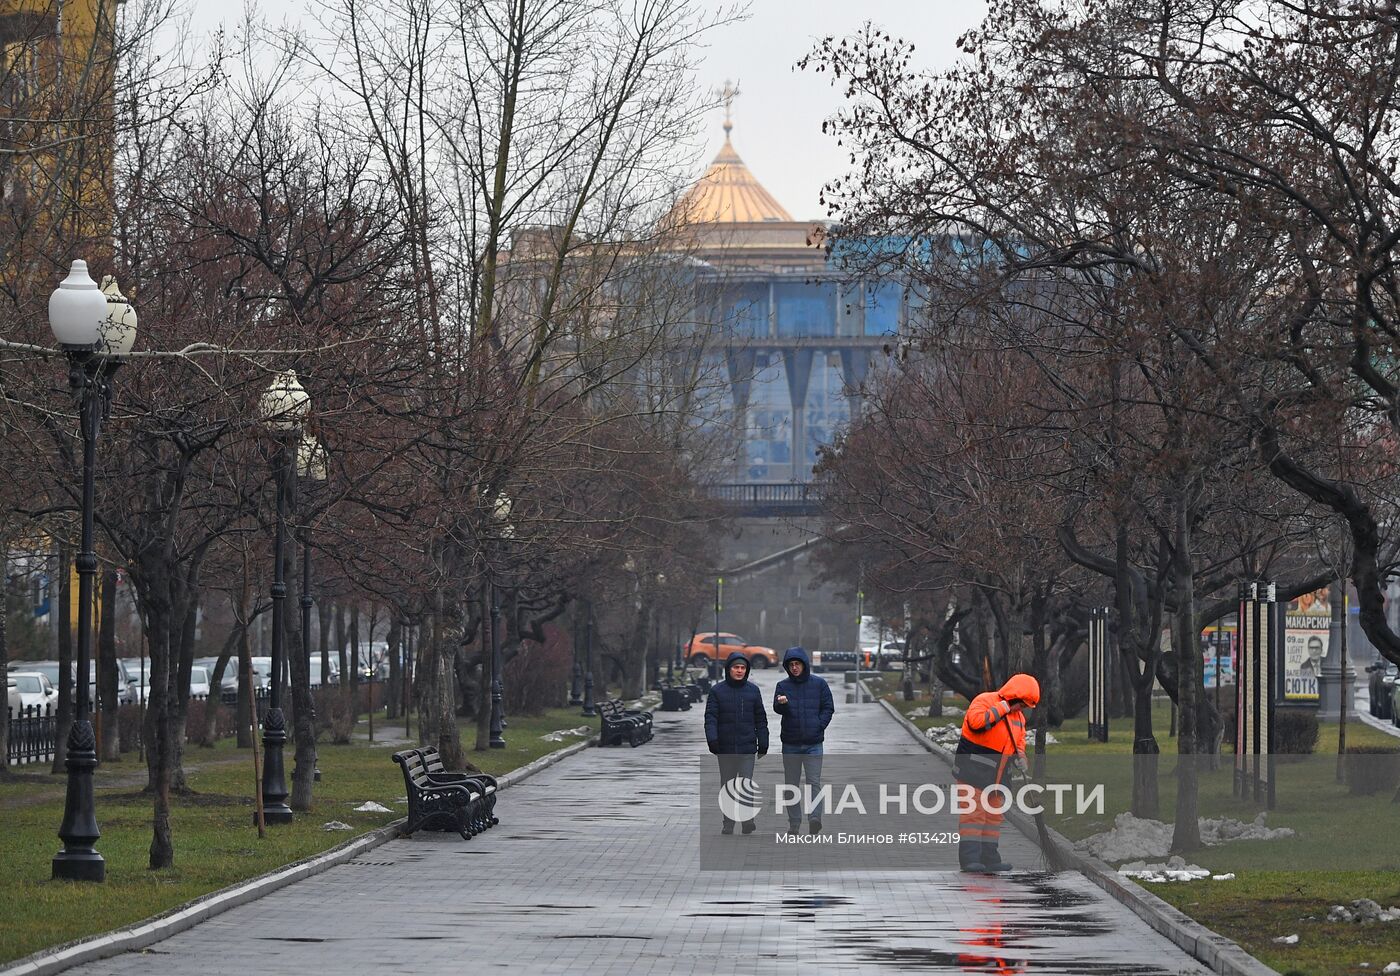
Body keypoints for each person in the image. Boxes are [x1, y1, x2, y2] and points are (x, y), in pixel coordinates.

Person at [952, 673, 1040, 873]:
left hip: (998, 778)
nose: (1022, 710)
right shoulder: (984, 701)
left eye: (1025, 707)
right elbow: (976, 723)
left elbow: (1019, 742)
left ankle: (990, 859)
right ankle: (969, 860)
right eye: (1022, 704)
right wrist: (1004, 708)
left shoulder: (1018, 718)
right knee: (973, 817)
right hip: (973, 772)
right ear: (1014, 697)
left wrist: (1021, 758)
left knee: (992, 818)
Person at [704, 650, 769, 834]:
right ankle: (728, 822)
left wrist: (763, 741)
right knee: (727, 785)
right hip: (725, 748)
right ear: (729, 669)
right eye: (736, 667)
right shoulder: (717, 691)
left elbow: (760, 718)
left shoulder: (753, 691)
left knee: (745, 784)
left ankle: (748, 820)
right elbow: (711, 717)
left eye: (742, 668)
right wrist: (712, 739)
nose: (739, 671)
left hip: (747, 746)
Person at [772, 646, 834, 834]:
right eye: (791, 665)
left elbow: (828, 707)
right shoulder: (783, 686)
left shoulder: (819, 684)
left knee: (813, 781)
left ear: (804, 664)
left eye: (797, 664)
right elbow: (776, 708)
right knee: (791, 784)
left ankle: (815, 818)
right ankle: (794, 823)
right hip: (790, 743)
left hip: (813, 743)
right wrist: (782, 704)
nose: (794, 668)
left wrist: (818, 725)